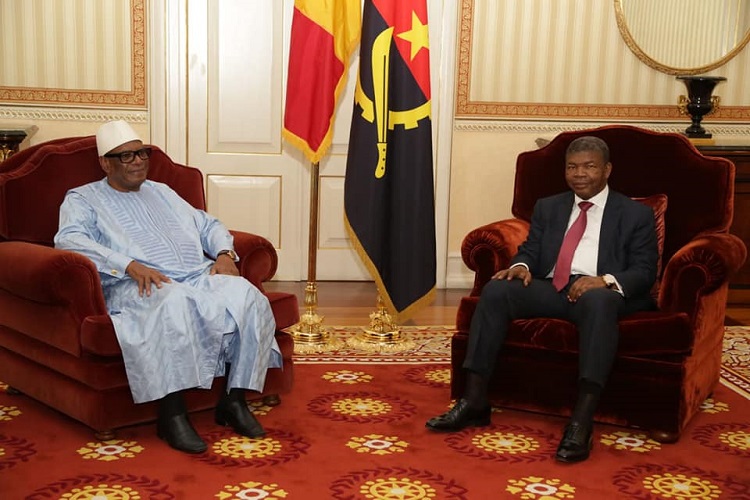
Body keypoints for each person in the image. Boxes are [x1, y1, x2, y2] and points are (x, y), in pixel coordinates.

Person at [54, 120, 282, 454]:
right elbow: (69, 240)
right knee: (173, 302)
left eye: (141, 153)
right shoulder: (83, 199)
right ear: (105, 163)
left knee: (248, 296)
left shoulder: (162, 191)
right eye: (126, 156)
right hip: (136, 283)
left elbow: (207, 224)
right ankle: (172, 414)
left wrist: (224, 253)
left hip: (195, 274)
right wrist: (127, 264)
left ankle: (234, 401)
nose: (138, 161)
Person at [426, 136, 658, 463]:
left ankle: (581, 421)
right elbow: (531, 250)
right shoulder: (549, 207)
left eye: (589, 167)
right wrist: (520, 267)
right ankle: (474, 400)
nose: (579, 174)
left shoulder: (635, 214)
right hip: (552, 286)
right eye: (572, 167)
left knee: (599, 302)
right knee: (497, 290)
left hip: (599, 292)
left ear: (607, 169)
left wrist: (604, 281)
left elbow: (644, 271)